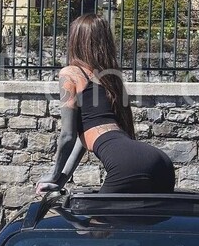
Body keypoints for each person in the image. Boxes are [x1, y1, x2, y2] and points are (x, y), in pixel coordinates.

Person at [36, 13, 175, 195]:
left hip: (126, 165)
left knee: (95, 215)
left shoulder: (70, 73)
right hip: (160, 161)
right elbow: (83, 139)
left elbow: (68, 136)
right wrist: (61, 180)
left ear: (76, 40)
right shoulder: (110, 79)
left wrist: (53, 174)